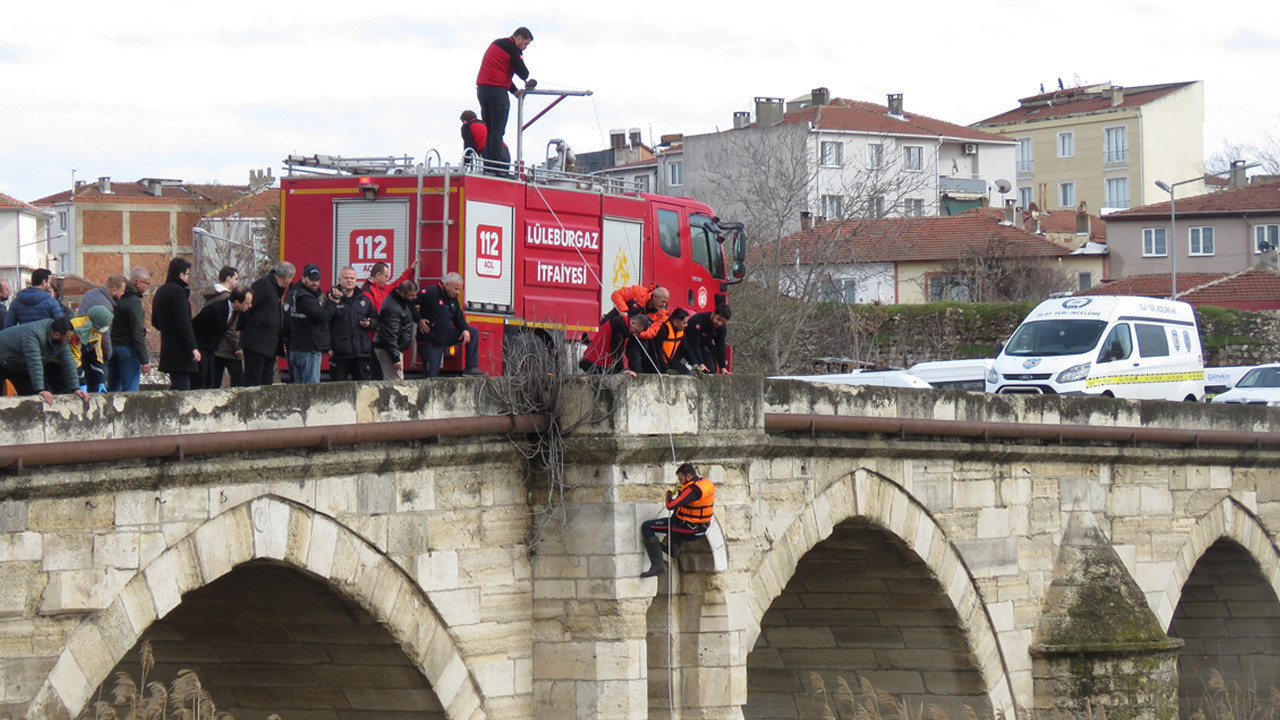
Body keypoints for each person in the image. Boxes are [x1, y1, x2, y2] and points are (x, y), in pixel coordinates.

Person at [476, 27, 535, 174]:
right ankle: (496, 167)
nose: (525, 47)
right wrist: (520, 56)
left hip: (483, 90)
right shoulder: (512, 49)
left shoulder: (497, 44)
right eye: (525, 44)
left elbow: (501, 72)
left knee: (490, 129)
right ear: (519, 38)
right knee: (498, 130)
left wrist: (515, 91)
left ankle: (488, 165)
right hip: (497, 92)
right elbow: (523, 73)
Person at [640, 463, 715, 578]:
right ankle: (673, 550)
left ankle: (657, 565)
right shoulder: (705, 483)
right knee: (675, 519)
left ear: (688, 476)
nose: (680, 482)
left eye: (681, 479)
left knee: (647, 526)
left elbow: (670, 505)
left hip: (689, 530)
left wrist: (669, 492)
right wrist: (681, 491)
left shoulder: (692, 491)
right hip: (699, 528)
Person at [0, 318, 90, 404]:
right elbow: (35, 362)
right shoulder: (34, 334)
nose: (68, 340)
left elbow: (69, 362)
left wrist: (75, 388)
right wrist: (40, 389)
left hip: (20, 364)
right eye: (67, 337)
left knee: (32, 398)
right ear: (57, 335)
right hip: (3, 356)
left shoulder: (62, 341)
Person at [416, 272, 484, 377]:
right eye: (456, 289)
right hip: (431, 340)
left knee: (472, 331)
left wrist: (465, 329)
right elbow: (408, 303)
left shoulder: (452, 300)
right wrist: (418, 320)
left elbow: (459, 318)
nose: (457, 292)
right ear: (447, 284)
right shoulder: (430, 293)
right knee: (430, 377)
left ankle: (471, 367)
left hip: (446, 336)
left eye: (459, 289)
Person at [241, 261, 296, 386]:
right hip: (256, 342)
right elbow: (246, 307)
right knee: (254, 380)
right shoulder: (263, 285)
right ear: (287, 277)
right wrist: (243, 329)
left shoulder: (276, 289)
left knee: (267, 381)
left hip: (270, 344)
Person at [151, 257, 201, 390]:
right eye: (187, 274)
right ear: (181, 275)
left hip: (167, 347)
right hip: (181, 350)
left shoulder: (160, 291)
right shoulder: (178, 293)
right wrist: (193, 348)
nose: (188, 278)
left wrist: (168, 330)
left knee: (176, 386)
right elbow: (184, 323)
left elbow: (154, 321)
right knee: (181, 390)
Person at [193, 285, 252, 389]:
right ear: (237, 302)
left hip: (212, 349)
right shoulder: (216, 309)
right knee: (201, 380)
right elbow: (195, 326)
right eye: (247, 303)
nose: (250, 305)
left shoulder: (235, 312)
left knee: (211, 381)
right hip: (201, 346)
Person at [328, 266, 378, 382]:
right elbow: (325, 324)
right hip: (340, 354)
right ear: (339, 280)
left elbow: (376, 319)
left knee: (364, 391)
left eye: (352, 278)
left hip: (361, 354)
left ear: (356, 280)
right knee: (338, 392)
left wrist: (370, 323)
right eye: (346, 278)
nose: (349, 281)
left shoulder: (364, 300)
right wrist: (328, 347)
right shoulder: (331, 299)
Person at [108, 268, 153, 391]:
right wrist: (145, 360)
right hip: (128, 349)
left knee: (112, 389)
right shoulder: (134, 302)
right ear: (138, 282)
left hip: (112, 347)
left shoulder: (115, 297)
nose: (148, 287)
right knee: (130, 391)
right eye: (147, 284)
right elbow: (137, 332)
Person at [286, 264, 331, 384]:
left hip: (297, 347)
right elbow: (322, 316)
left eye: (317, 279)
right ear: (303, 278)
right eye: (312, 279)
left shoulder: (294, 293)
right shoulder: (304, 297)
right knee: (311, 390)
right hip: (308, 349)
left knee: (299, 389)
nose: (315, 283)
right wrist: (332, 303)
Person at [579, 312, 649, 376]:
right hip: (595, 363)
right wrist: (622, 370)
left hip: (595, 362)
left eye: (637, 333)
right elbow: (617, 349)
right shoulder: (619, 326)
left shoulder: (620, 323)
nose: (635, 334)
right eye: (636, 331)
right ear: (633, 322)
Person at [78, 274, 127, 365]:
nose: (123, 293)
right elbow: (105, 333)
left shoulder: (91, 293)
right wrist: (108, 354)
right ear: (114, 290)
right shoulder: (106, 306)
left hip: (79, 341)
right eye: (122, 290)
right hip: (92, 349)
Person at [373, 280, 417, 381]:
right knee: (395, 380)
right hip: (389, 347)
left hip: (393, 346)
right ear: (402, 293)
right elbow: (390, 335)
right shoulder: (392, 308)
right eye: (411, 295)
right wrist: (396, 358)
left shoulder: (401, 302)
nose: (414, 298)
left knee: (394, 378)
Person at [67, 306, 114, 392]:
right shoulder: (76, 329)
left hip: (84, 360)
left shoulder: (97, 330)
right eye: (107, 325)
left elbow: (97, 355)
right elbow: (74, 358)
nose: (107, 328)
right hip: (64, 365)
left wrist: (100, 380)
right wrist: (82, 382)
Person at [683, 304, 732, 374]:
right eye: (718, 319)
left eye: (722, 322)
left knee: (711, 369)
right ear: (713, 314)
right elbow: (694, 344)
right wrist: (701, 363)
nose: (719, 323)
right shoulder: (697, 321)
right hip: (688, 344)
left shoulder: (721, 327)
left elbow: (720, 345)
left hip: (703, 345)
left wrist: (723, 367)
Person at [643, 307, 692, 375]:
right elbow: (657, 352)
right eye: (684, 323)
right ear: (675, 322)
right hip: (658, 363)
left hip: (673, 361)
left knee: (686, 371)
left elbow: (686, 349)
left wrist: (695, 364)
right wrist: (665, 368)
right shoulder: (663, 329)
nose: (686, 325)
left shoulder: (680, 332)